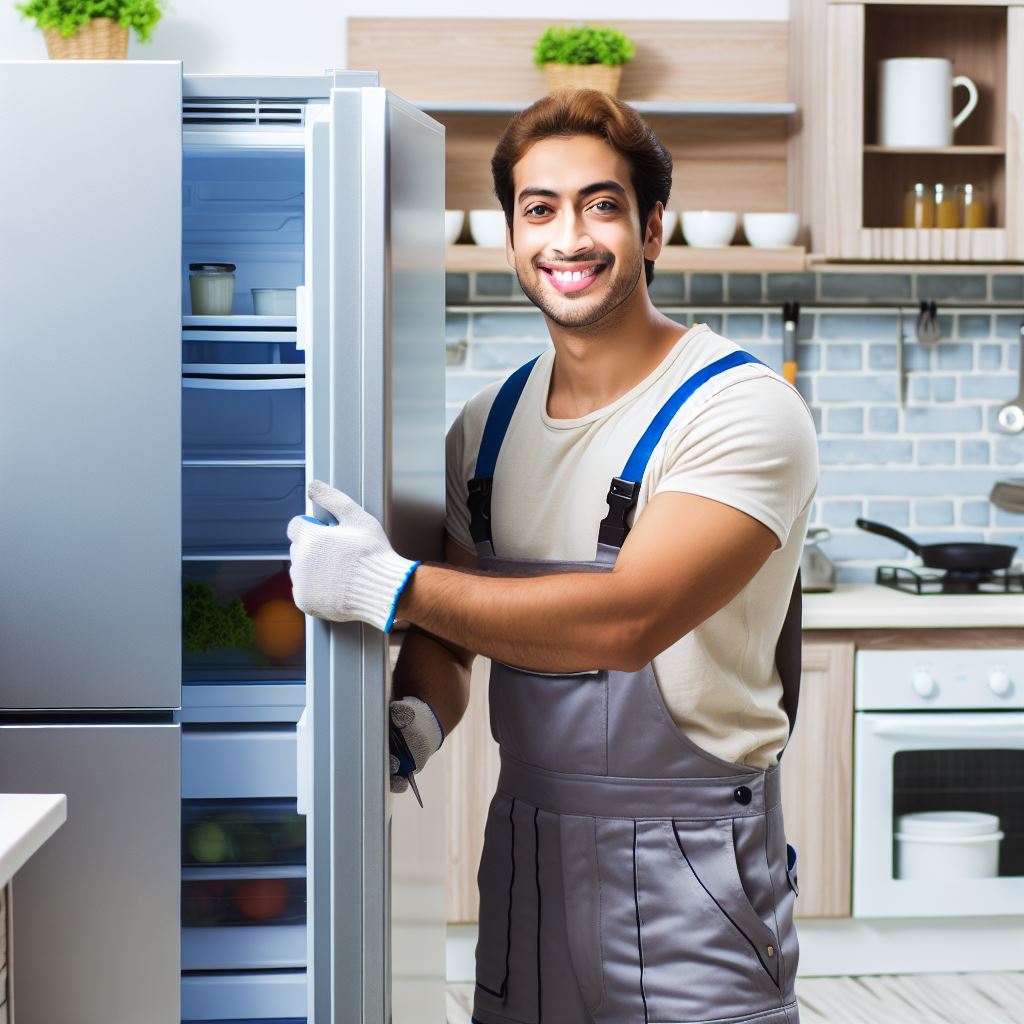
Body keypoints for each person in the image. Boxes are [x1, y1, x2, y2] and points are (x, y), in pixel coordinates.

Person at [288, 89, 818, 1024]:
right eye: (540, 209)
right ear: (511, 236)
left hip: (695, 867)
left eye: (601, 205)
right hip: (527, 854)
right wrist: (410, 722)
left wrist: (386, 584)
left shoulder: (738, 409)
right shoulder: (483, 430)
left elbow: (627, 622)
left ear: (652, 230)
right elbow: (453, 643)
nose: (567, 237)